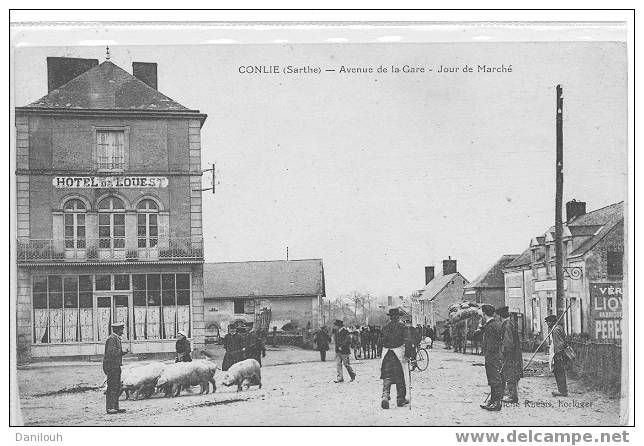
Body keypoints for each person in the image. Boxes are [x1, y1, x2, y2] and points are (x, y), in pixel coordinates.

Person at [380, 308, 410, 409]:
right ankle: (400, 399)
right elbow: (408, 341)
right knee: (400, 377)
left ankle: (385, 395)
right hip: (398, 354)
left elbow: (379, 341)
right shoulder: (403, 327)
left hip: (387, 354)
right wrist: (408, 354)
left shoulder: (385, 327)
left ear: (390, 317)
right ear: (398, 317)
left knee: (387, 376)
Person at [479, 304, 504, 411]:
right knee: (493, 379)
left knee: (495, 379)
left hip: (492, 356)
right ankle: (493, 401)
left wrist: (489, 355)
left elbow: (491, 343)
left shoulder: (490, 326)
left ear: (484, 314)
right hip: (496, 355)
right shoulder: (496, 324)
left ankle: (496, 402)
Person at [497, 306, 523, 404]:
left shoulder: (506, 325)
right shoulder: (510, 323)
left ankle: (512, 396)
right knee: (511, 373)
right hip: (514, 353)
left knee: (510, 373)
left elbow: (508, 342)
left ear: (500, 316)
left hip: (510, 354)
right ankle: (511, 394)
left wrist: (505, 353)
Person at [103, 321, 128, 414]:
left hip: (116, 366)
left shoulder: (116, 338)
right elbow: (112, 353)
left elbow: (114, 352)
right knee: (112, 387)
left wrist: (121, 352)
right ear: (117, 330)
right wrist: (122, 351)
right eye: (121, 329)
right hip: (111, 366)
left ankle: (115, 407)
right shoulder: (112, 339)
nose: (123, 331)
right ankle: (110, 408)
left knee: (117, 387)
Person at [546, 314, 568, 397]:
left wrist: (558, 355)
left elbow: (559, 343)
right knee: (560, 372)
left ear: (552, 322)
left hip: (558, 355)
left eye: (548, 322)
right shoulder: (558, 328)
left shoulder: (555, 330)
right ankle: (562, 390)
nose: (548, 324)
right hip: (559, 354)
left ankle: (562, 391)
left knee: (559, 372)